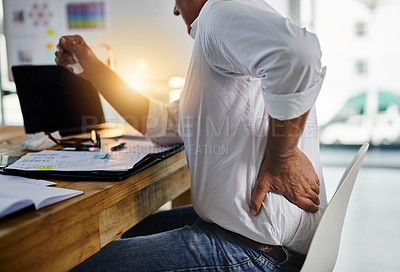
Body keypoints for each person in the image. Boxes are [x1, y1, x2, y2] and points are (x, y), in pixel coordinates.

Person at [55, 0, 327, 271]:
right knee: (121, 232)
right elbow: (160, 123)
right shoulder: (221, 29)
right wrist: (92, 68)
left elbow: (299, 54)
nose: (175, 10)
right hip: (243, 234)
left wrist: (284, 155)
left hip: (253, 251)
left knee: (75, 264)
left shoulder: (219, 11)